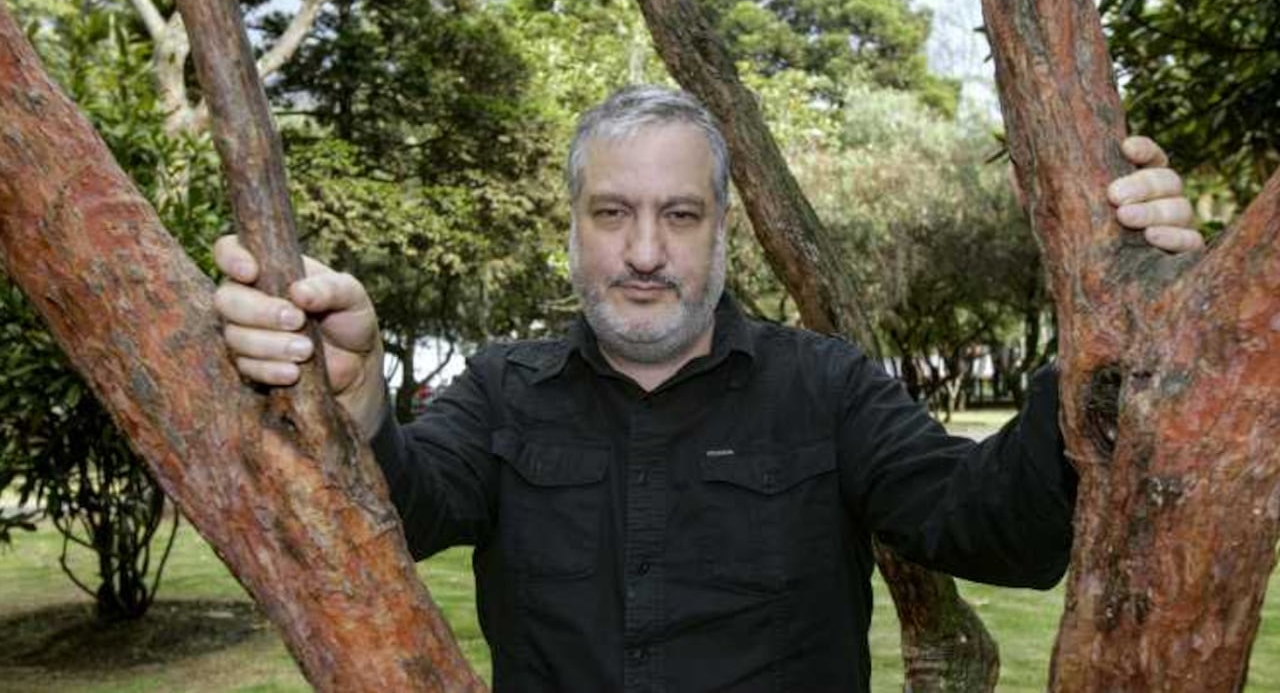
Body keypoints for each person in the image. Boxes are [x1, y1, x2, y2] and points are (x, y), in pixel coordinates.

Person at [213, 86, 1203, 692]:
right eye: (612, 213)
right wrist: (356, 399)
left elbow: (996, 529)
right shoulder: (501, 390)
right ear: (571, 226)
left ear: (720, 229)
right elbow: (402, 516)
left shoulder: (825, 388)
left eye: (679, 215)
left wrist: (1104, 347)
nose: (644, 252)